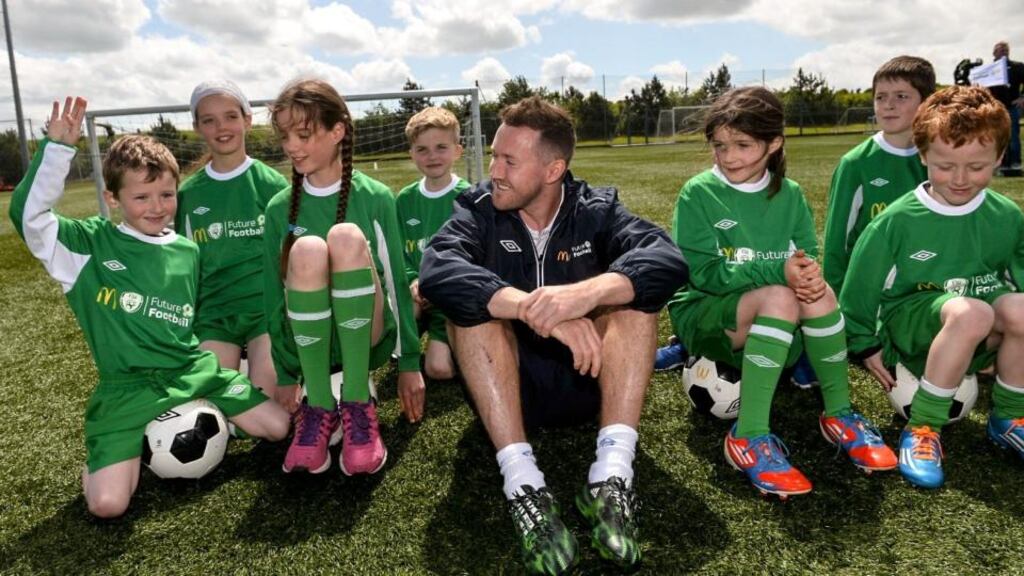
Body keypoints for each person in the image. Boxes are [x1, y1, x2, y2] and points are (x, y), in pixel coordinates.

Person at [420, 96, 686, 574]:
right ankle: (524, 484)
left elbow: (665, 257)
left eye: (508, 160)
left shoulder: (596, 210)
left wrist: (583, 295)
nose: (494, 169)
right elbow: (438, 269)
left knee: (633, 299)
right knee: (470, 308)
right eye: (494, 154)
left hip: (590, 382)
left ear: (552, 170)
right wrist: (531, 307)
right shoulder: (478, 209)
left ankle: (611, 477)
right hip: (508, 390)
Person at [8, 97, 290, 518]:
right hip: (126, 388)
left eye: (166, 195)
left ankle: (225, 389)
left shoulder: (185, 250)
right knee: (108, 506)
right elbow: (29, 216)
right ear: (113, 197)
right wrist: (56, 149)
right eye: (141, 197)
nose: (157, 207)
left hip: (190, 370)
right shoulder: (88, 247)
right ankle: (109, 460)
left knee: (279, 427)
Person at [665, 86, 897, 500]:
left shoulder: (789, 194)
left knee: (818, 293)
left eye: (742, 145)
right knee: (782, 295)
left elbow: (807, 256)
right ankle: (749, 436)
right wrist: (778, 271)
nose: (729, 156)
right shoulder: (699, 193)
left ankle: (839, 414)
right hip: (706, 315)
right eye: (719, 145)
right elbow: (703, 275)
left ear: (773, 144)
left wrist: (808, 276)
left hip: (774, 319)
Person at [841, 85, 1024, 489]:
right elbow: (860, 288)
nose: (960, 179)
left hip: (977, 326)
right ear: (922, 155)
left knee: (1018, 309)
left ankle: (1009, 416)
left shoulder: (1006, 216)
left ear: (999, 158)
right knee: (971, 311)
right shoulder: (897, 221)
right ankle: (922, 427)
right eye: (945, 165)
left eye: (976, 167)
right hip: (911, 327)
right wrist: (864, 344)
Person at [263, 79, 425, 476]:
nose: (290, 146)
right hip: (309, 345)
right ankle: (318, 405)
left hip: (366, 335)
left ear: (337, 132)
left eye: (302, 134)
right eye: (285, 136)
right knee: (306, 249)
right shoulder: (278, 209)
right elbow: (272, 294)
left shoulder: (374, 197)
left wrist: (409, 362)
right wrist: (284, 372)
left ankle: (357, 401)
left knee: (346, 237)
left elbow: (397, 286)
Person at [175, 80, 290, 406]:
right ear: (197, 127)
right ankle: (234, 364)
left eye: (229, 116)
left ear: (247, 120)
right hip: (214, 315)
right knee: (210, 404)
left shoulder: (270, 183)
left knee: (266, 402)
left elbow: (288, 256)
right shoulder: (189, 193)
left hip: (263, 311)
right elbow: (183, 263)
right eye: (208, 120)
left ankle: (257, 363)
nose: (221, 127)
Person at [824, 56, 935, 296]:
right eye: (880, 97)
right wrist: (835, 299)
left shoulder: (941, 158)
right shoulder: (855, 164)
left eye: (901, 96)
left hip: (929, 284)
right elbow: (837, 242)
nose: (888, 104)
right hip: (869, 289)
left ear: (926, 103)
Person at [395, 107, 470, 380]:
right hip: (416, 293)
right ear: (411, 154)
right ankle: (402, 344)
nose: (432, 156)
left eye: (441, 147)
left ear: (457, 150)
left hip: (451, 299)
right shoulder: (404, 199)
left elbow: (474, 258)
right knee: (404, 310)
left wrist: (439, 287)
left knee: (438, 370)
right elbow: (399, 252)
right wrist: (413, 280)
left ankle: (458, 341)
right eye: (422, 149)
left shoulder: (468, 197)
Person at [989, 41, 1024, 174]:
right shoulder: (989, 70)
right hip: (995, 109)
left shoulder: (1017, 67)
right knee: (997, 138)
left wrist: (1022, 97)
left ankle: (1015, 164)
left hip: (1011, 107)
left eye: (1005, 50)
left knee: (1013, 136)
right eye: (1000, 50)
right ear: (994, 53)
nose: (1004, 51)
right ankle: (1002, 165)